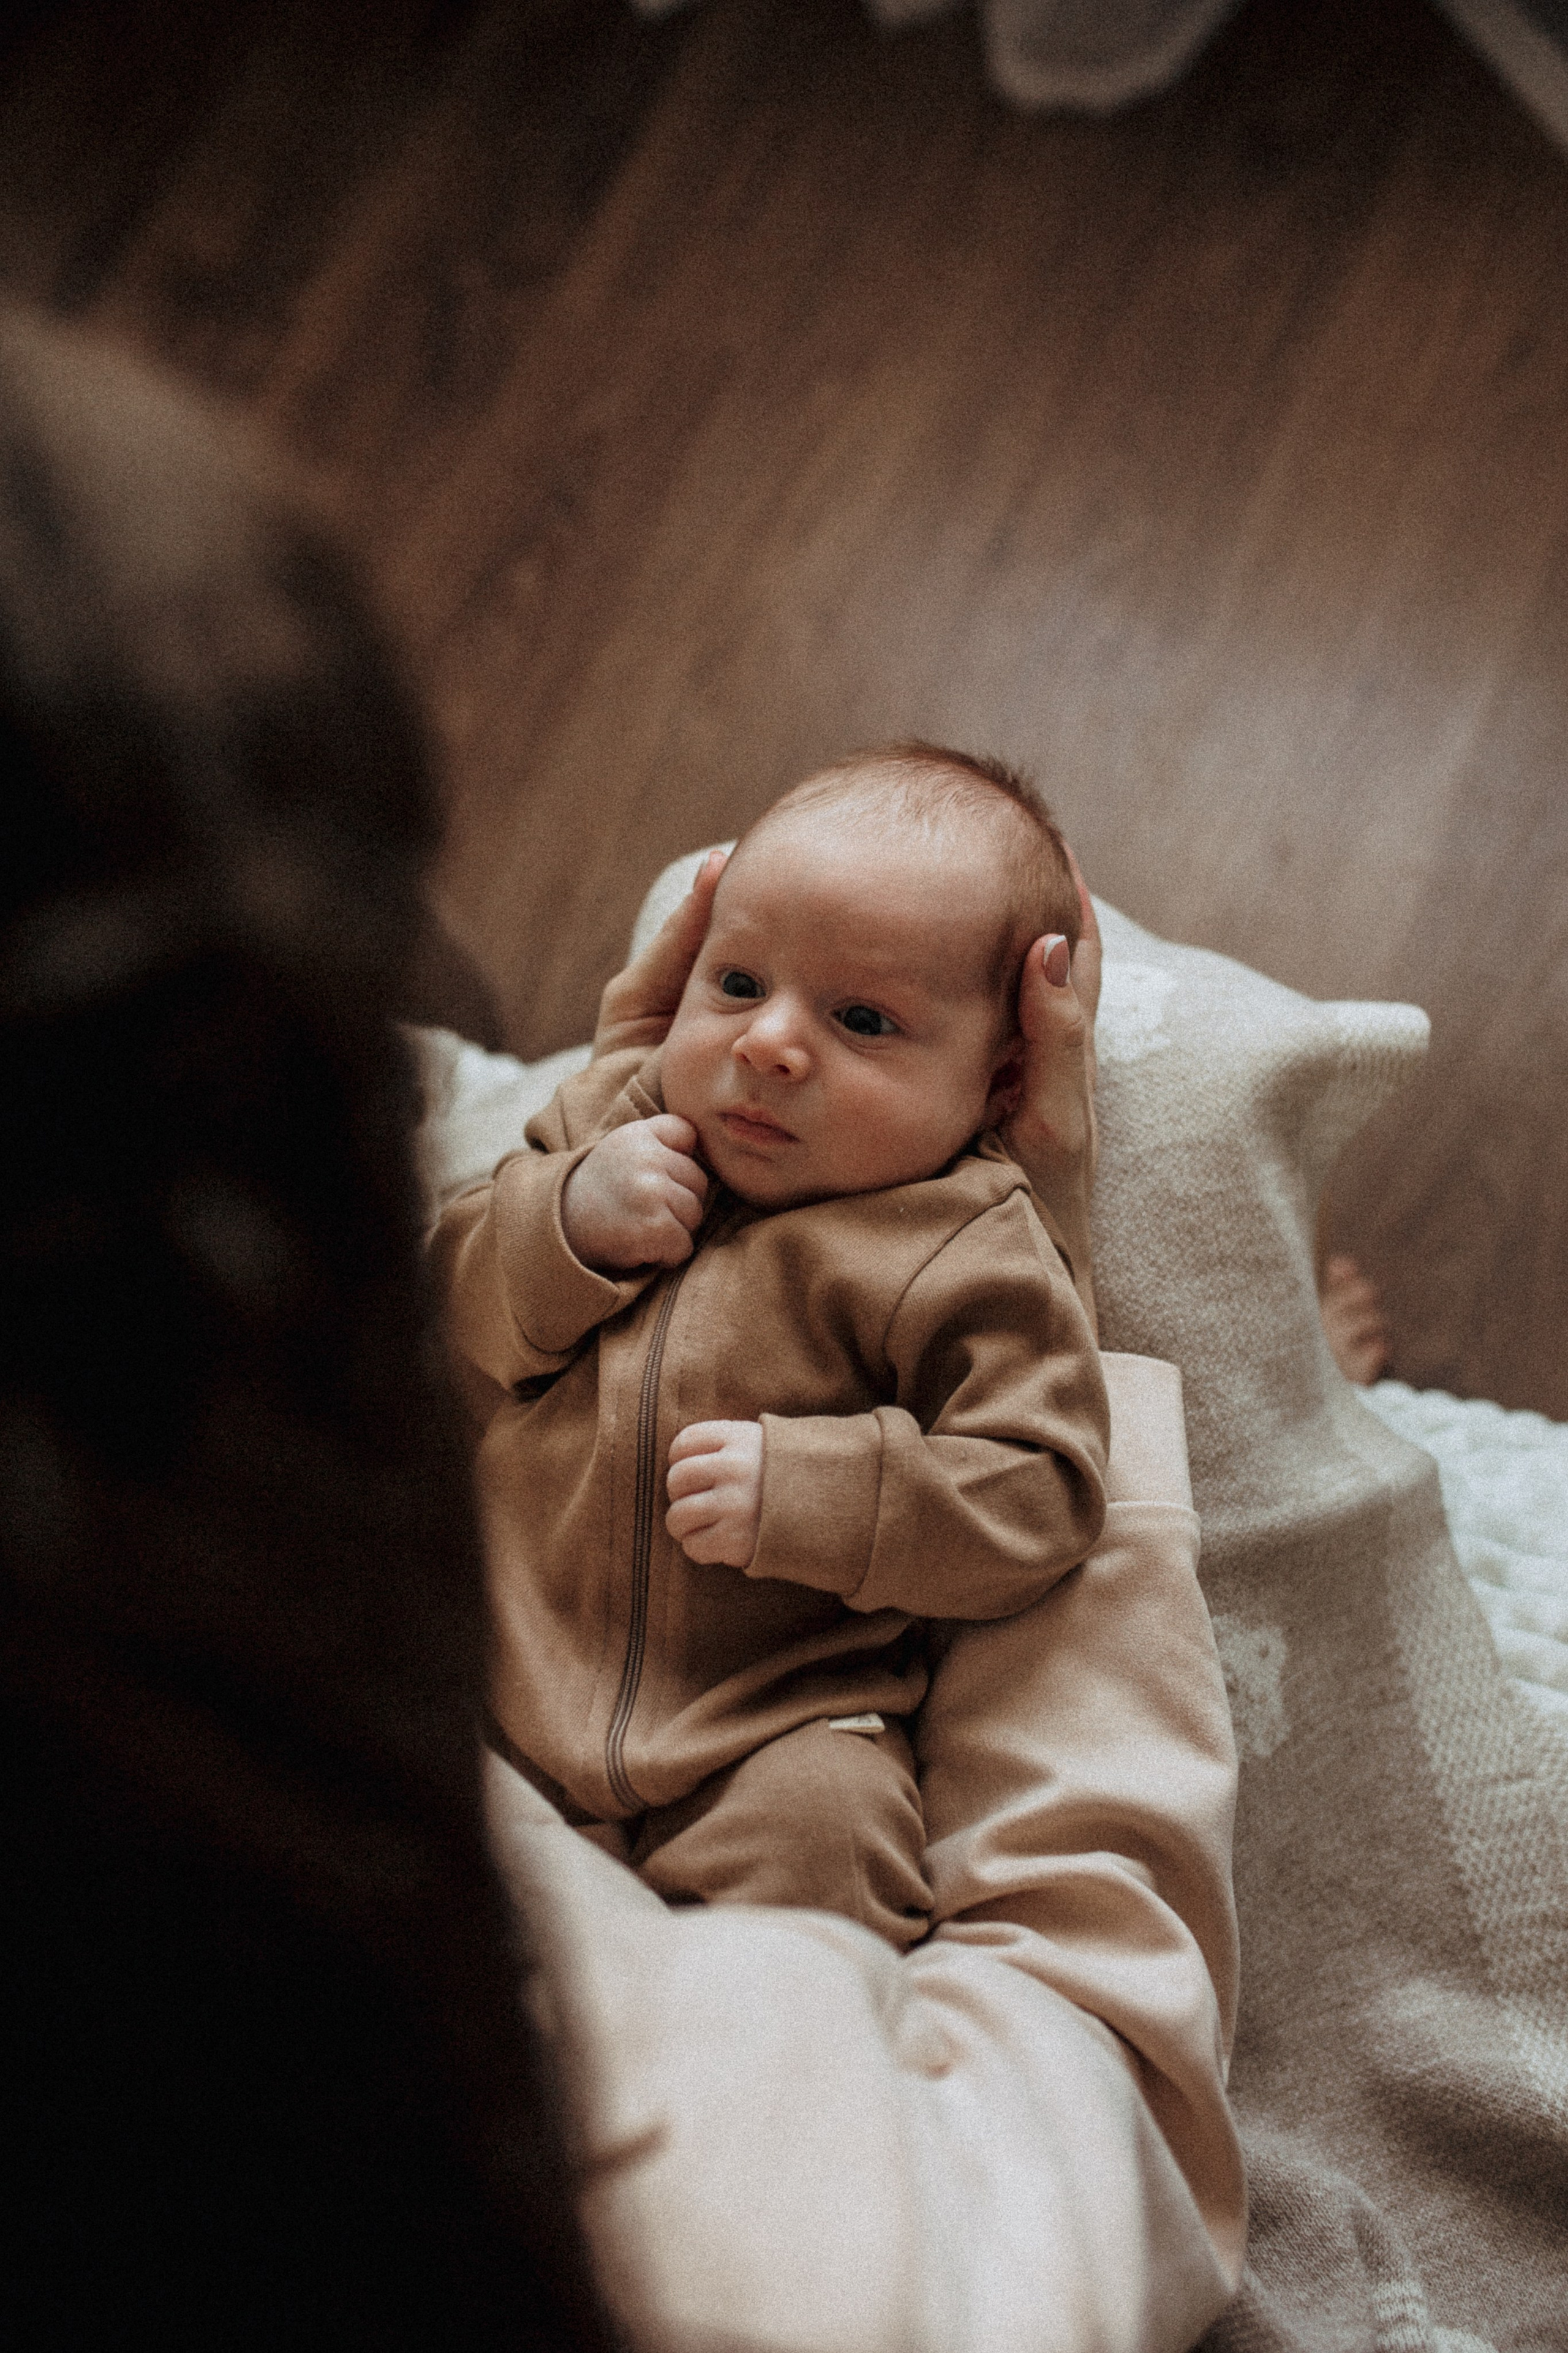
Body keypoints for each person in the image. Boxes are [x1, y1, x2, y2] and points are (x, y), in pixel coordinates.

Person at [433, 747, 1116, 1948]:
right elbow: (436, 1302)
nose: (767, 1045)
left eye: (861, 1019)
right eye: (737, 981)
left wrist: (823, 1492)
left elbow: (1041, 1489)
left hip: (769, 1728)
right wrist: (563, 1221)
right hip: (492, 1667)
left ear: (999, 1074)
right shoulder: (622, 1120)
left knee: (830, 1841)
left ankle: (766, 2082)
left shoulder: (964, 1241)